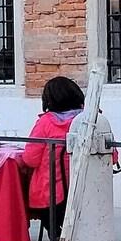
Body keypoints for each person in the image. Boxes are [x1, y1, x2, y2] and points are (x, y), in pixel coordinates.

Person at [20, 75, 86, 215]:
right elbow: (112, 157)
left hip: (52, 196)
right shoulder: (90, 121)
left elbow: (30, 160)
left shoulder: (46, 123)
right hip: (86, 193)